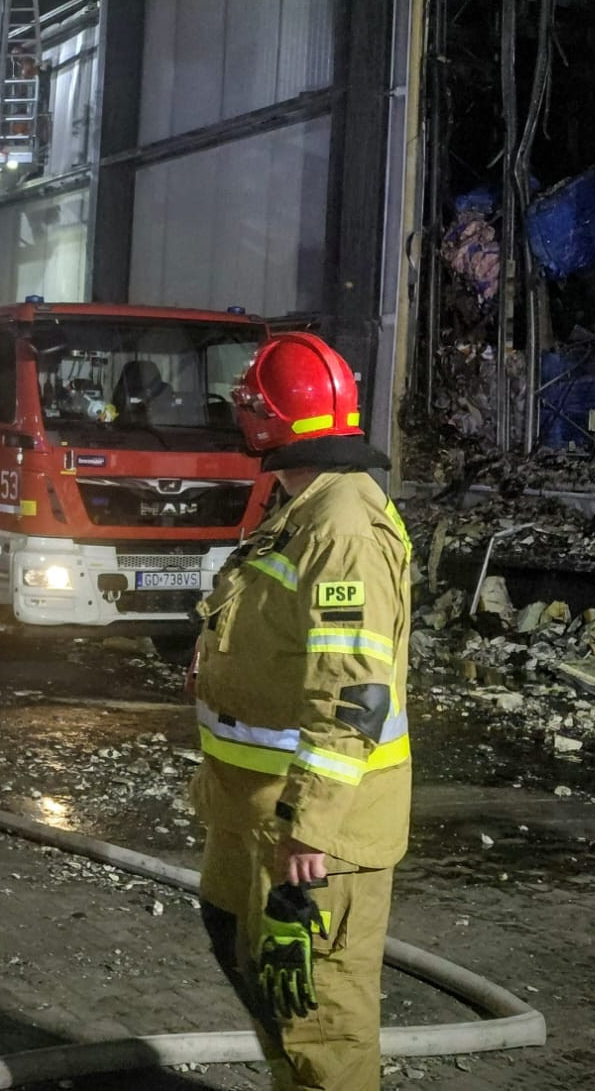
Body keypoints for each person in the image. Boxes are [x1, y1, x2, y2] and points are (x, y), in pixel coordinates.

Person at [186, 331, 412, 1091]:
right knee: (262, 980)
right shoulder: (300, 506)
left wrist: (308, 831)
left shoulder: (342, 526)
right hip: (253, 815)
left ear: (263, 419)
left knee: (322, 1030)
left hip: (313, 834)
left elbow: (355, 692)